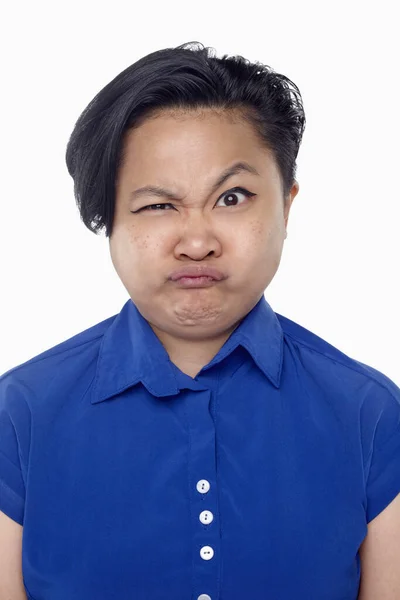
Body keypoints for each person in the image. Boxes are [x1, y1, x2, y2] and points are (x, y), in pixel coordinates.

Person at [0, 41, 399, 600]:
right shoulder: (19, 412)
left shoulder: (370, 412)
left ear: (286, 206)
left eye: (232, 197)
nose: (196, 242)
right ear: (106, 219)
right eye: (158, 205)